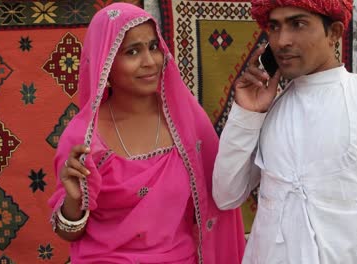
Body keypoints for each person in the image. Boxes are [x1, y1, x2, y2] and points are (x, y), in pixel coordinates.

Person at [212, 0, 357, 263]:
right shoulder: (267, 109)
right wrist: (246, 114)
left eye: (298, 24)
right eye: (274, 27)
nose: (282, 41)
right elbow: (226, 195)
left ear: (334, 33)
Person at [48, 3, 245, 263]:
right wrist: (73, 202)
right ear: (105, 63)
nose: (150, 61)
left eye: (153, 47)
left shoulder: (187, 123)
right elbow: (67, 233)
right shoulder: (84, 137)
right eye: (132, 52)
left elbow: (222, 197)